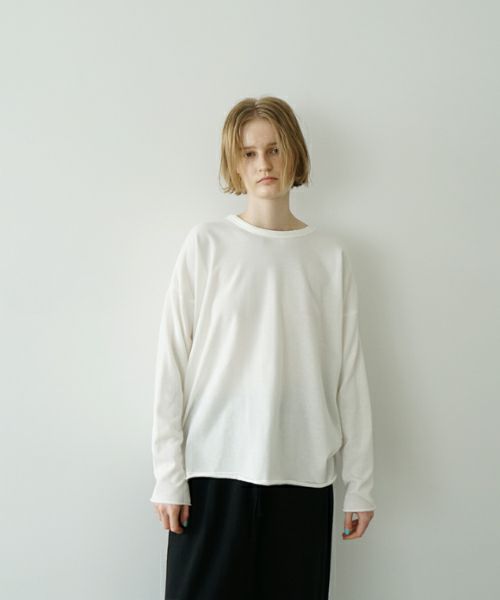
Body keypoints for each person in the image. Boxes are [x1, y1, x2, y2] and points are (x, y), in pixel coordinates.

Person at [150, 96, 376, 600]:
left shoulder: (329, 255)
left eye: (274, 149)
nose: (263, 164)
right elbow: (172, 362)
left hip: (302, 477)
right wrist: (168, 475)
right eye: (249, 153)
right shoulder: (207, 244)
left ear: (294, 152)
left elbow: (350, 373)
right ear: (234, 163)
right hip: (213, 473)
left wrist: (360, 483)